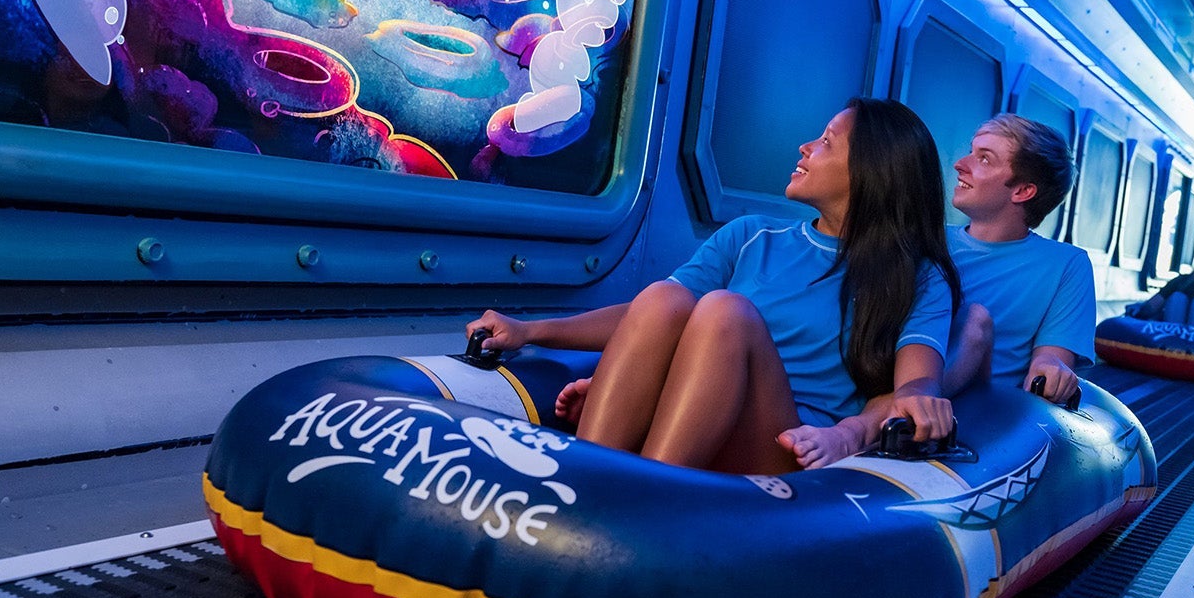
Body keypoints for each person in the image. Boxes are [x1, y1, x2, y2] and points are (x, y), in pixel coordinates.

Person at [466, 98, 962, 475]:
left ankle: (646, 489)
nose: (805, 147)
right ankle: (588, 476)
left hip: (787, 445)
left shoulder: (917, 276)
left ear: (873, 172)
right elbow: (646, 318)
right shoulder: (750, 236)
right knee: (666, 296)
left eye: (827, 142)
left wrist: (885, 417)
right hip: (697, 423)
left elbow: (916, 382)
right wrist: (530, 331)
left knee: (726, 311)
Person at [782, 113, 1094, 468]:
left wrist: (1051, 367)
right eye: (970, 152)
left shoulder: (1066, 264)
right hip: (889, 376)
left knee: (974, 321)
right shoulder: (924, 239)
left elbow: (1051, 359)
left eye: (984, 158)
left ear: (1023, 191)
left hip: (974, 404)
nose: (961, 165)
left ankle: (855, 432)